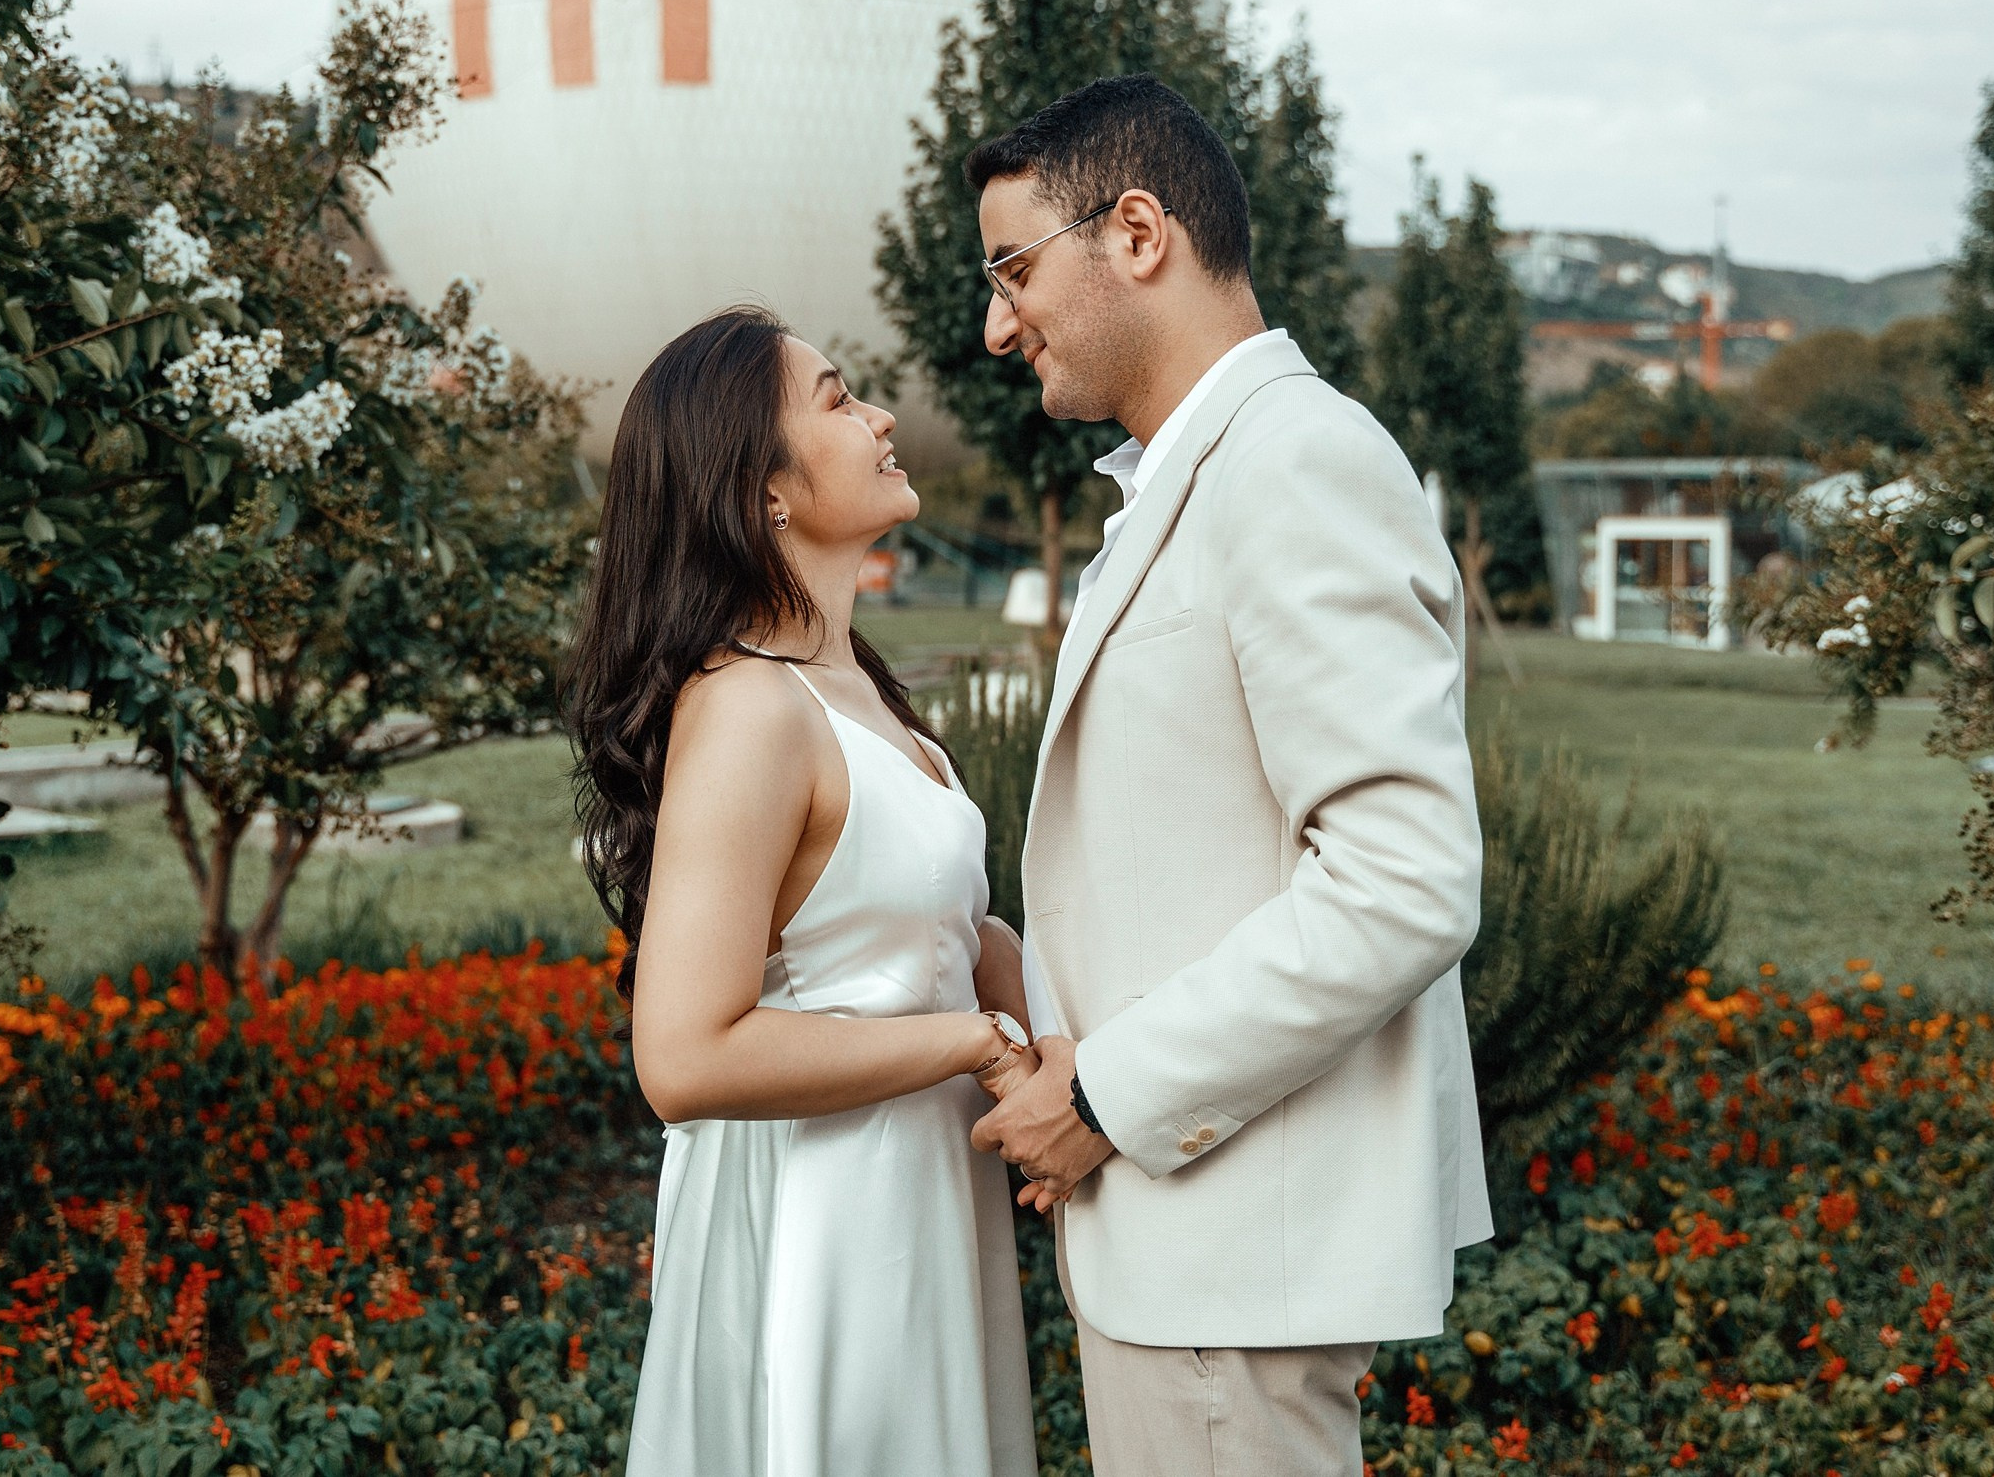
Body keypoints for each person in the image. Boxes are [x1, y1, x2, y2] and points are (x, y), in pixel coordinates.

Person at [966, 74, 1496, 1476]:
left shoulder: (1294, 462)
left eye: (1013, 270)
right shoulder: (1191, 476)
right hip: (1190, 1249)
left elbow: (1403, 881)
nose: (997, 324)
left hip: (1233, 1255)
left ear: (1137, 233)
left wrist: (1104, 1094)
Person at [567, 308, 1038, 1477]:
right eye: (837, 398)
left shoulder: (849, 679)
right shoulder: (748, 706)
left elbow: (907, 928)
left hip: (918, 1185)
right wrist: (972, 1040)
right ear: (762, 490)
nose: (879, 417)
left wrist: (1023, 993)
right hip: (828, 1217)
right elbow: (684, 1056)